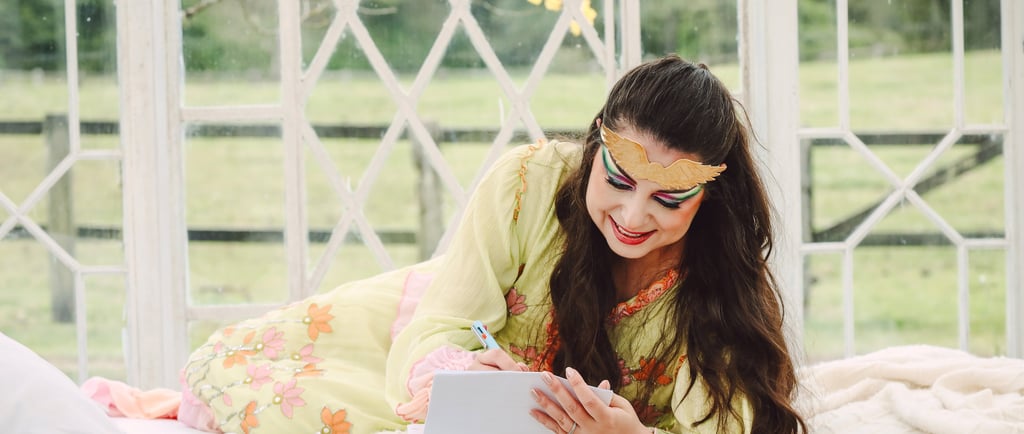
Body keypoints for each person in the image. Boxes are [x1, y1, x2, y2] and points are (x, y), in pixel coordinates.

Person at [179, 54, 807, 434]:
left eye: (668, 198)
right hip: (422, 324)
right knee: (240, 370)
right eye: (617, 179)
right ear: (595, 147)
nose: (633, 215)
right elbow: (442, 325)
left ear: (708, 197)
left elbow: (728, 426)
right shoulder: (528, 182)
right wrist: (468, 376)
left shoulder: (719, 283)